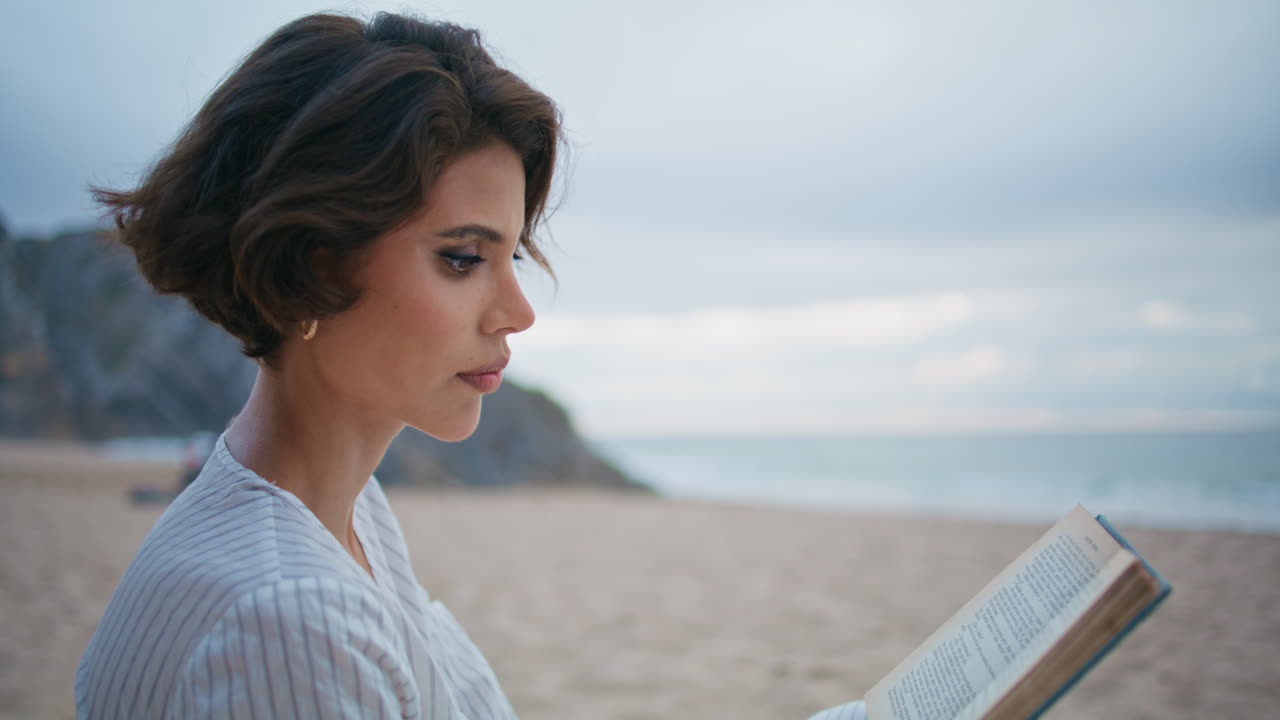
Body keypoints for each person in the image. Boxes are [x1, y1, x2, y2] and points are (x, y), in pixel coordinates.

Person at [76, 11, 866, 720]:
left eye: (512, 255)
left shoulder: (343, 515)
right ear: (309, 262)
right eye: (462, 258)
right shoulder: (291, 617)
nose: (518, 312)